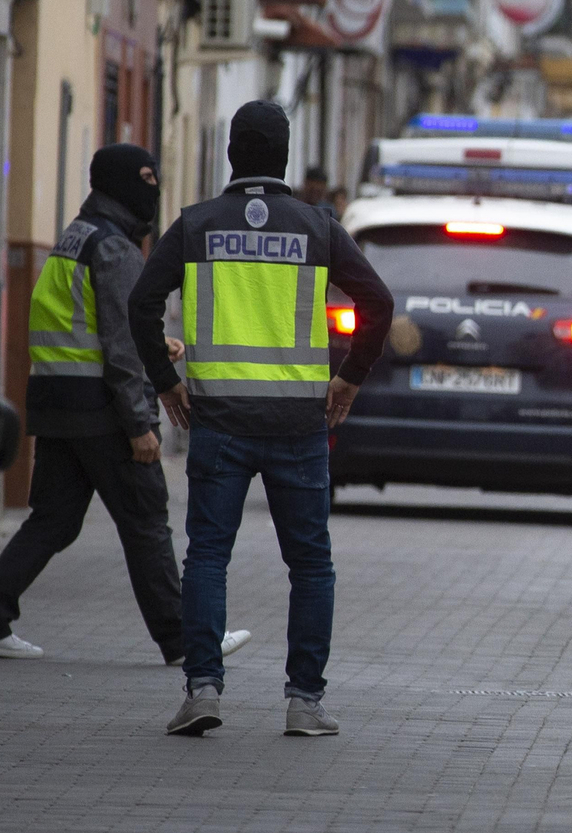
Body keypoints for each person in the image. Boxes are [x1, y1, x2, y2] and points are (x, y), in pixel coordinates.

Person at [129, 101, 394, 737]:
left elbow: (141, 304)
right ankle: (304, 702)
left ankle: (203, 691)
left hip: (217, 421)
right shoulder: (318, 226)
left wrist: (166, 384)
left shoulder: (196, 225)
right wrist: (349, 378)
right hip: (300, 427)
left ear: (229, 153)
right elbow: (378, 302)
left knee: (208, 557)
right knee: (310, 564)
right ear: (282, 154)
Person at [0, 145, 250, 667]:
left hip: (58, 402)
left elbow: (89, 327)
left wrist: (156, 346)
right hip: (103, 410)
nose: (155, 188)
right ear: (119, 183)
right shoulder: (116, 249)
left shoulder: (75, 236)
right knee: (145, 518)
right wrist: (140, 424)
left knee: (53, 520)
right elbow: (118, 344)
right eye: (146, 178)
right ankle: (186, 640)